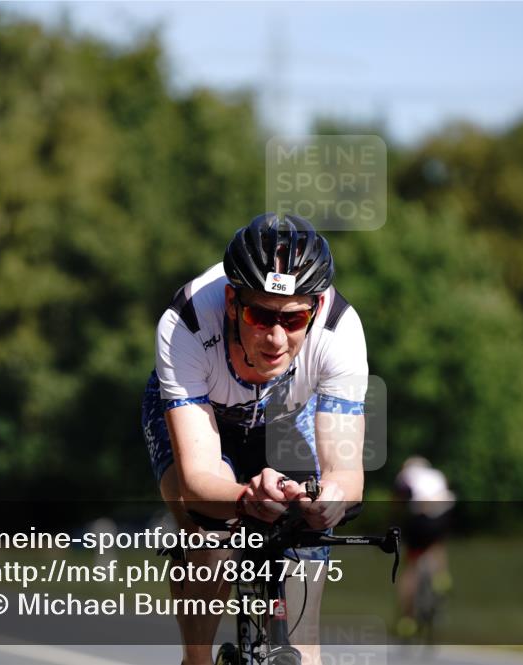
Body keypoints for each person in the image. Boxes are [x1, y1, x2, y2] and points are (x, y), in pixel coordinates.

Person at [142, 213, 368, 665]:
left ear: (317, 309)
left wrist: (326, 499)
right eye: (259, 315)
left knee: (308, 544)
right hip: (204, 419)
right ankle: (196, 659)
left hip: (283, 418)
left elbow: (346, 474)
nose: (277, 337)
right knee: (209, 536)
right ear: (231, 302)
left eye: (294, 317)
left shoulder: (340, 333)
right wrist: (245, 497)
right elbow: (199, 477)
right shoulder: (186, 322)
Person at [393, 456, 455, 638]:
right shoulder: (436, 474)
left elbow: (398, 502)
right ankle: (441, 578)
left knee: (410, 566)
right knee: (437, 545)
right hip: (444, 515)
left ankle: (407, 619)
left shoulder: (405, 475)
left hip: (421, 517)